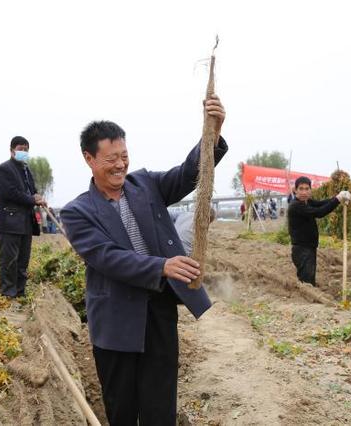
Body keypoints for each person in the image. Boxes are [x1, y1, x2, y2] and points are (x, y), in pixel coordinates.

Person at [61, 96, 227, 426]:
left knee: (159, 405)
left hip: (158, 313)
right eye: (111, 159)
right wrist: (161, 266)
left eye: (124, 156)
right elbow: (107, 258)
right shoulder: (77, 212)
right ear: (89, 158)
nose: (120, 165)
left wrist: (213, 132)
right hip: (116, 323)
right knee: (122, 408)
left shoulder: (145, 184)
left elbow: (187, 174)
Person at [0, 136, 46, 299]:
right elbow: (10, 193)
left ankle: (20, 291)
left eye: (26, 149)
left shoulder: (25, 169)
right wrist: (32, 199)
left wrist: (38, 197)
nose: (23, 152)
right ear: (12, 150)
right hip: (10, 223)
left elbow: (32, 190)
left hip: (25, 223)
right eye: (20, 149)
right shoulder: (4, 169)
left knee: (23, 260)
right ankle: (8, 293)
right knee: (9, 260)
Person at [287, 176, 351, 286]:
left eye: (307, 189)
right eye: (301, 189)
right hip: (302, 250)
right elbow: (320, 212)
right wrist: (338, 200)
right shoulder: (296, 206)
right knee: (306, 281)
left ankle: (308, 296)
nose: (304, 192)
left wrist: (337, 198)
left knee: (309, 279)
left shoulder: (307, 202)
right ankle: (305, 301)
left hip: (309, 247)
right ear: (295, 190)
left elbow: (321, 203)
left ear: (310, 190)